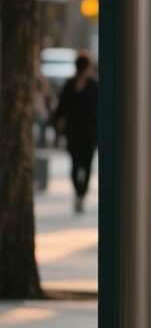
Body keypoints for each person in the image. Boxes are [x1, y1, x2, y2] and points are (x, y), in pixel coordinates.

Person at [54, 52, 98, 211]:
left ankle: (82, 193)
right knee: (74, 165)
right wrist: (58, 123)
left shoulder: (94, 86)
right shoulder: (69, 85)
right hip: (73, 133)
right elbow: (61, 107)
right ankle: (78, 191)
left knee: (86, 165)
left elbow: (99, 109)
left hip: (89, 133)